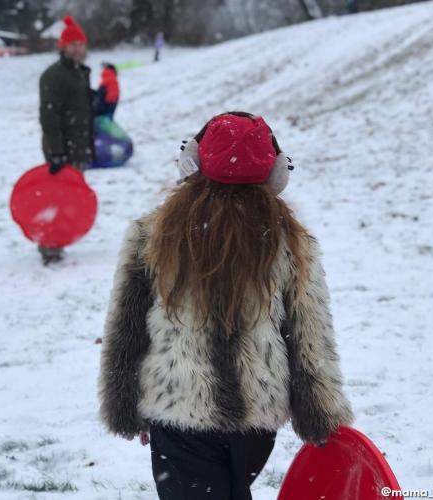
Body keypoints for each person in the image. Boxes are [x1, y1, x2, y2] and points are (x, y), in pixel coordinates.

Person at [98, 112, 354, 500]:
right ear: (275, 173)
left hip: (177, 409)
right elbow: (309, 336)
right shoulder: (291, 242)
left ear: (192, 163)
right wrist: (319, 414)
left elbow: (126, 326)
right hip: (256, 420)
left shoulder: (152, 234)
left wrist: (123, 403)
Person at [38, 15, 94, 265]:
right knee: (56, 197)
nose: (78, 48)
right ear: (63, 47)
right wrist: (57, 152)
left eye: (81, 44)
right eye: (73, 45)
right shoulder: (54, 75)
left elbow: (80, 109)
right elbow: (49, 117)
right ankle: (49, 244)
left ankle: (61, 239)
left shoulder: (79, 73)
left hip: (78, 146)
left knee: (71, 198)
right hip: (61, 148)